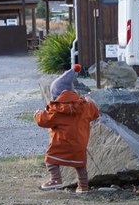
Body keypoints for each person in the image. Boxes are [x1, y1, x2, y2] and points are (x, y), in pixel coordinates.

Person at [34, 64, 100, 194]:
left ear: (57, 94)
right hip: (79, 143)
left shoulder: (56, 110)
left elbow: (44, 121)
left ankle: (55, 180)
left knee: (51, 159)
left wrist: (37, 114)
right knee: (80, 165)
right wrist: (91, 102)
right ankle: (83, 187)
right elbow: (95, 113)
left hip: (61, 143)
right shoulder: (85, 106)